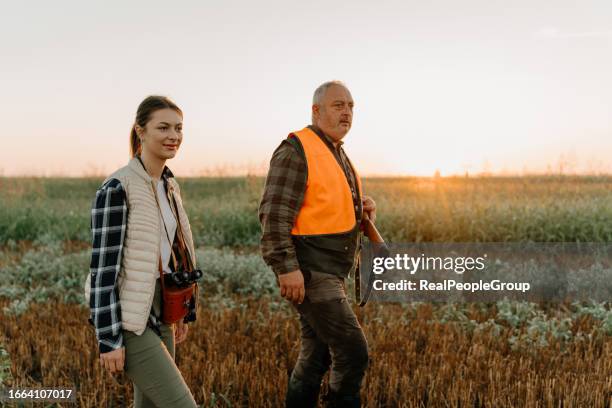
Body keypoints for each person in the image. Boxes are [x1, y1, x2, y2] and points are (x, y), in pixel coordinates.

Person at [259, 81, 377, 407]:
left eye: (351, 106)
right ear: (316, 110)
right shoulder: (296, 150)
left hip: (331, 270)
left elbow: (321, 205)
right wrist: (286, 268)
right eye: (339, 105)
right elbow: (274, 215)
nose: (347, 112)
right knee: (353, 351)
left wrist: (359, 209)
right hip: (311, 272)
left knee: (317, 354)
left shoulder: (334, 150)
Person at [84, 95, 199, 407]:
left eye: (178, 128)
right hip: (130, 317)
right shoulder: (117, 187)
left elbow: (174, 255)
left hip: (162, 309)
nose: (173, 136)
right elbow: (103, 270)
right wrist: (108, 338)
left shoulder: (169, 186)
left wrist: (182, 309)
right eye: (163, 127)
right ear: (141, 131)